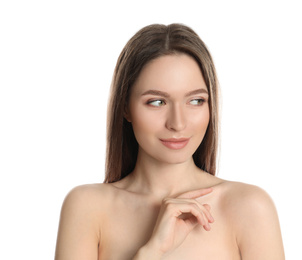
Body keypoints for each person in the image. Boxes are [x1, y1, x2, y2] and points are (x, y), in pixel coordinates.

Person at [55, 23, 285, 260]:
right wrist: (152, 252)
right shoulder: (87, 207)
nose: (178, 123)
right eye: (157, 102)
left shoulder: (250, 208)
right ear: (125, 107)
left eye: (195, 101)